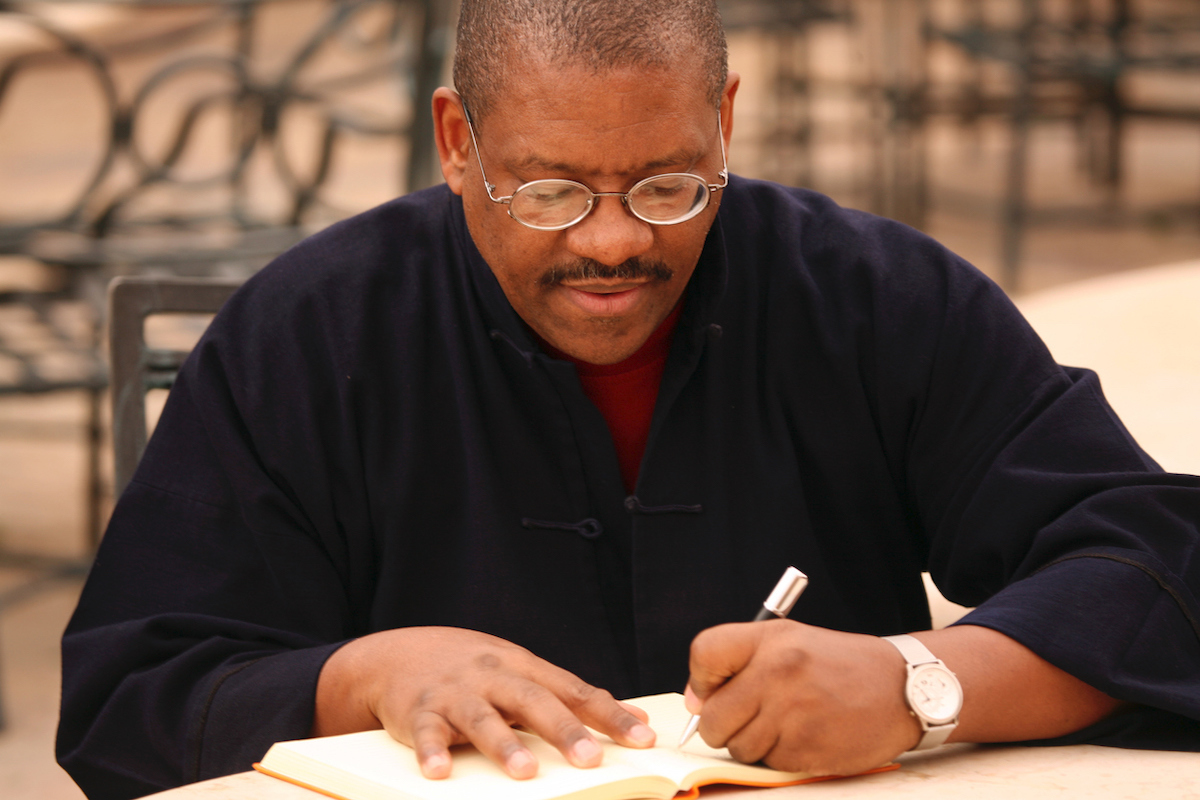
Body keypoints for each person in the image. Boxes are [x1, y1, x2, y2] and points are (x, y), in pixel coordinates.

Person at [58, 1, 1200, 798]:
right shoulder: (311, 331)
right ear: (458, 141)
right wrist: (356, 675)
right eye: (551, 190)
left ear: (727, 123)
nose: (613, 242)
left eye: (668, 183)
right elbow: (127, 699)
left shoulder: (876, 297)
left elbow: (1156, 565)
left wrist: (921, 683)